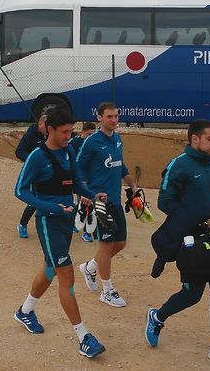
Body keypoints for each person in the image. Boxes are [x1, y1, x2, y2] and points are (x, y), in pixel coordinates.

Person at [144, 119, 210, 365]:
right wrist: (192, 219)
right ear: (195, 139)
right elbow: (164, 202)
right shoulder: (179, 165)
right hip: (189, 239)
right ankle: (157, 317)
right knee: (192, 294)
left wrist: (209, 224)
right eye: (209, 138)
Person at [13, 107, 107, 358]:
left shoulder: (69, 150)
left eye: (70, 131)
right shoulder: (37, 156)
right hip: (48, 222)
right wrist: (49, 207)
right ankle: (83, 337)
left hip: (67, 221)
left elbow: (74, 182)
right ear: (49, 130)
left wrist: (91, 195)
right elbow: (20, 190)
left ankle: (24, 311)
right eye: (64, 132)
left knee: (50, 267)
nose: (69, 136)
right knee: (66, 274)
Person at [76, 102, 139, 307]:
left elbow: (120, 164)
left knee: (120, 243)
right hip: (99, 202)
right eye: (109, 116)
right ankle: (107, 290)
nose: (114, 120)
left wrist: (132, 184)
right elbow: (78, 169)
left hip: (115, 201)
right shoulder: (91, 142)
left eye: (116, 116)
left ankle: (90, 267)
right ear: (99, 118)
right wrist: (86, 193)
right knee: (106, 245)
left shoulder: (118, 138)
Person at [14, 110, 50, 238]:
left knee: (50, 197)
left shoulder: (50, 135)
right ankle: (22, 225)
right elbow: (19, 151)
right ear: (40, 124)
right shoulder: (30, 135)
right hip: (34, 172)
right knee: (35, 199)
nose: (49, 130)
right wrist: (32, 160)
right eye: (47, 127)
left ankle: (51, 225)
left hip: (48, 171)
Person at [69, 122, 97, 242]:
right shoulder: (73, 143)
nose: (91, 137)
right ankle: (77, 225)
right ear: (82, 132)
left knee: (87, 203)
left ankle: (85, 230)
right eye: (89, 134)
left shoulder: (94, 143)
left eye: (93, 134)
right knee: (81, 202)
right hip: (78, 178)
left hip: (91, 178)